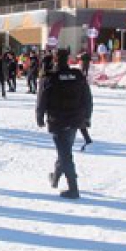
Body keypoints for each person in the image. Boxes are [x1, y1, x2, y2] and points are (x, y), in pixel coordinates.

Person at [36, 49, 93, 199]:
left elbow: (41, 99)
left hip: (58, 120)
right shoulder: (77, 75)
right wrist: (87, 117)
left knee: (65, 154)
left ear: (55, 59)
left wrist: (39, 116)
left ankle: (73, 188)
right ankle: (55, 178)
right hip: (75, 120)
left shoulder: (49, 77)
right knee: (65, 150)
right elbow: (88, 97)